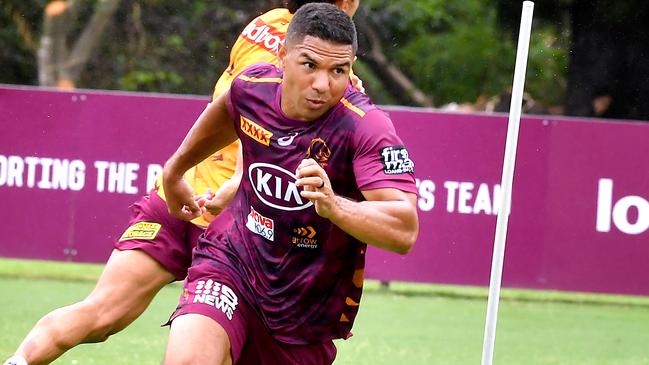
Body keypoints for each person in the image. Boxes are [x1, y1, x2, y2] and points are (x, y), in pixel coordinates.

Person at [3, 1, 361, 365]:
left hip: (181, 194)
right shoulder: (315, 64)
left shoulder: (264, 24)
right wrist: (238, 181)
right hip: (238, 222)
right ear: (344, 5)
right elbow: (264, 118)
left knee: (101, 312)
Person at [161, 3, 418, 364]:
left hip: (304, 310)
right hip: (231, 264)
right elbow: (227, 109)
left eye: (338, 70)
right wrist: (174, 171)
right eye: (310, 65)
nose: (322, 85)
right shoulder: (253, 86)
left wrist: (333, 204)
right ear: (283, 56)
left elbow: (404, 229)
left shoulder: (366, 126)